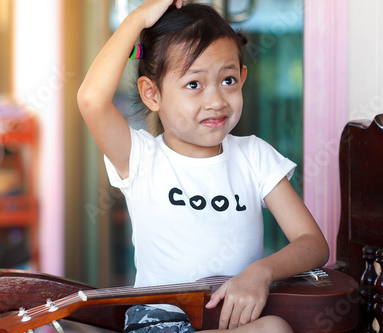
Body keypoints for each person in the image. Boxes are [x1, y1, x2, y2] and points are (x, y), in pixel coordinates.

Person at [77, 1, 329, 332]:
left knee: (274, 328)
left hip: (232, 319)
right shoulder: (140, 158)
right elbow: (91, 100)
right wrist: (137, 19)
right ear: (152, 94)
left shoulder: (254, 156)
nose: (216, 100)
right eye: (194, 84)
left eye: (227, 80)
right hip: (159, 320)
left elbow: (313, 243)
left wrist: (260, 272)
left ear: (242, 78)